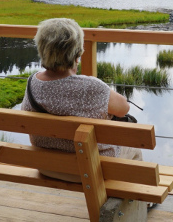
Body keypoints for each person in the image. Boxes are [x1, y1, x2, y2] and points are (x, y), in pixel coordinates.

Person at [22, 18, 142, 182]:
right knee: (133, 148)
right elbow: (123, 108)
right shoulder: (92, 87)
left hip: (48, 167)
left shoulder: (32, 83)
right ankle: (136, 202)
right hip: (92, 170)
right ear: (77, 53)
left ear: (42, 49)